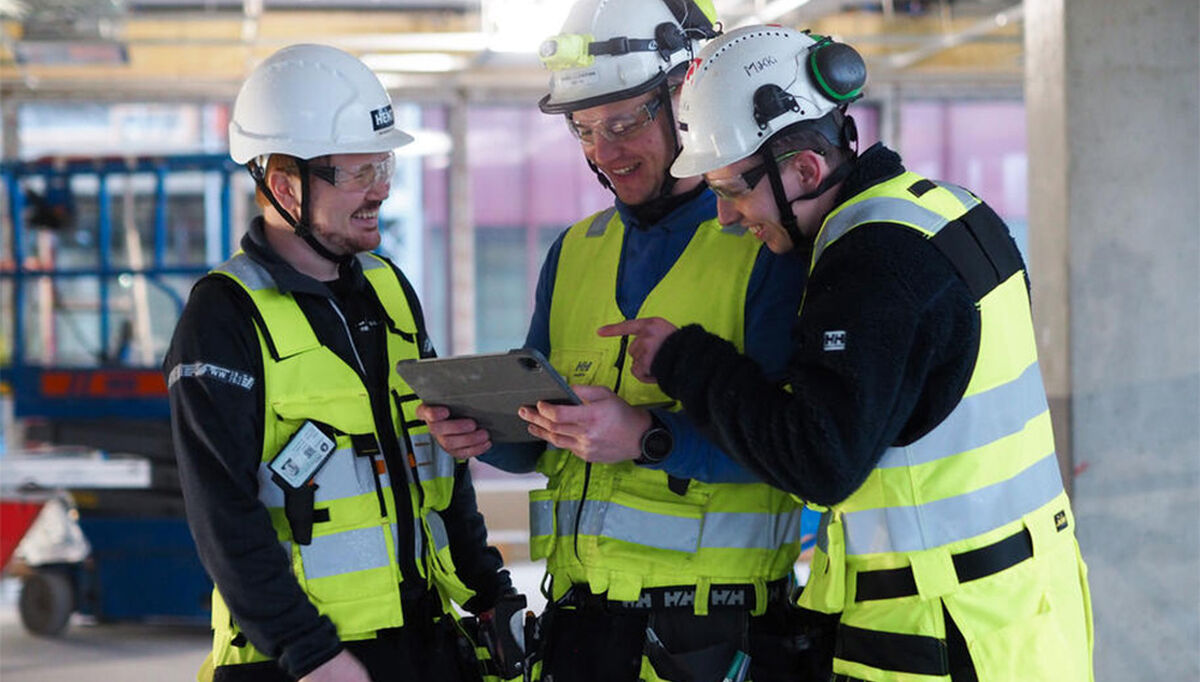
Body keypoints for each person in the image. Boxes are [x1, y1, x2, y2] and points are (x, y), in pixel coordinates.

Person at [606, 25, 1095, 682]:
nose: (725, 218)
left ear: (806, 170)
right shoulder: (950, 212)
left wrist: (686, 361)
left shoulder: (870, 261)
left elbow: (819, 462)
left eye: (730, 190)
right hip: (1028, 609)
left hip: (938, 631)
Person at [417, 2, 820, 681]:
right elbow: (542, 445)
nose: (603, 151)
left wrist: (648, 436)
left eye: (625, 121)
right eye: (584, 128)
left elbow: (804, 447)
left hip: (714, 635)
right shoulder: (576, 250)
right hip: (580, 630)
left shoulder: (768, 241)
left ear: (687, 97)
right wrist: (487, 431)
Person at [164, 44, 514, 682]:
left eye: (383, 166)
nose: (380, 189)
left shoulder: (390, 289)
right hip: (305, 661)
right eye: (357, 173)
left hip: (426, 644)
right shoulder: (222, 320)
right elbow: (222, 516)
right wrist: (311, 654)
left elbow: (439, 469)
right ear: (283, 184)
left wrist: (489, 593)